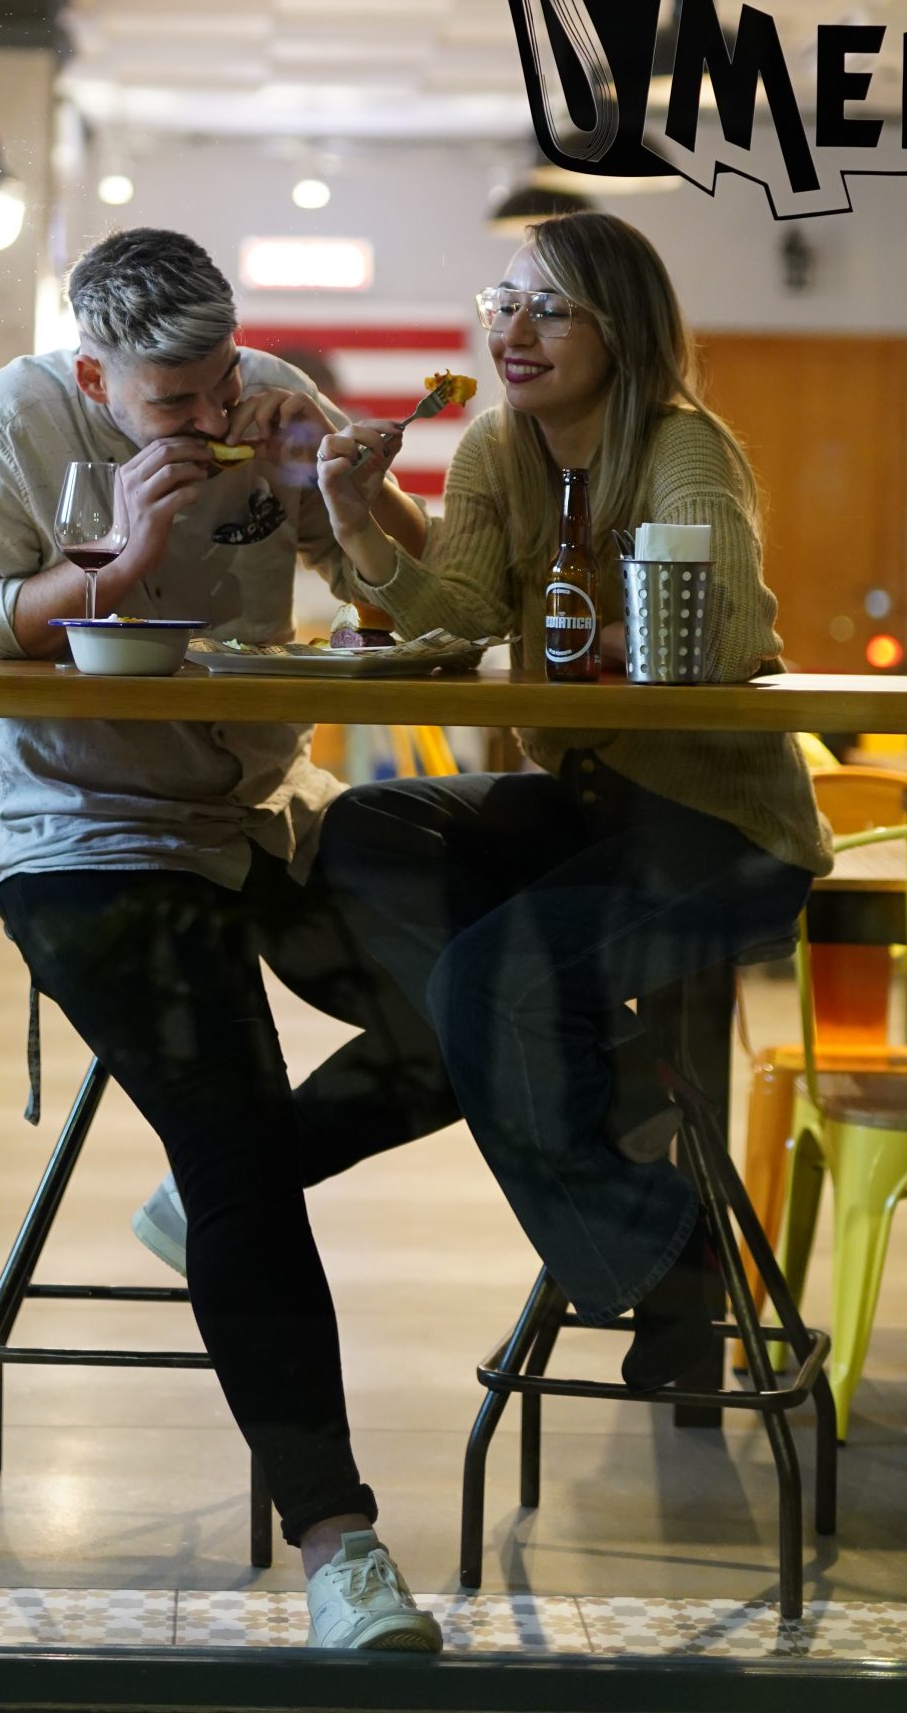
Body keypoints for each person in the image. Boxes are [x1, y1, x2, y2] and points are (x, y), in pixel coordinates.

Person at [0, 228, 449, 1653]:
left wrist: (348, 501)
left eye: (219, 382)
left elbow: (399, 598)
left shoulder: (271, 399)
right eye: (172, 400)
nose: (210, 416)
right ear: (95, 375)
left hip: (261, 804)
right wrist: (117, 562)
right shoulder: (2, 431)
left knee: (486, 998)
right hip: (82, 829)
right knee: (233, 1141)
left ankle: (217, 1189)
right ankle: (340, 1545)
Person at [310, 211, 830, 1388]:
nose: (515, 331)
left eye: (550, 309)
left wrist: (618, 633)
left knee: (490, 983)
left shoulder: (686, 449)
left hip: (728, 832)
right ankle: (611, 1092)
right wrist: (355, 520)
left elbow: (729, 636)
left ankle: (663, 1252)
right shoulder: (497, 447)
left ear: (622, 329)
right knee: (367, 828)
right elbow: (457, 619)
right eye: (504, 305)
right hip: (596, 809)